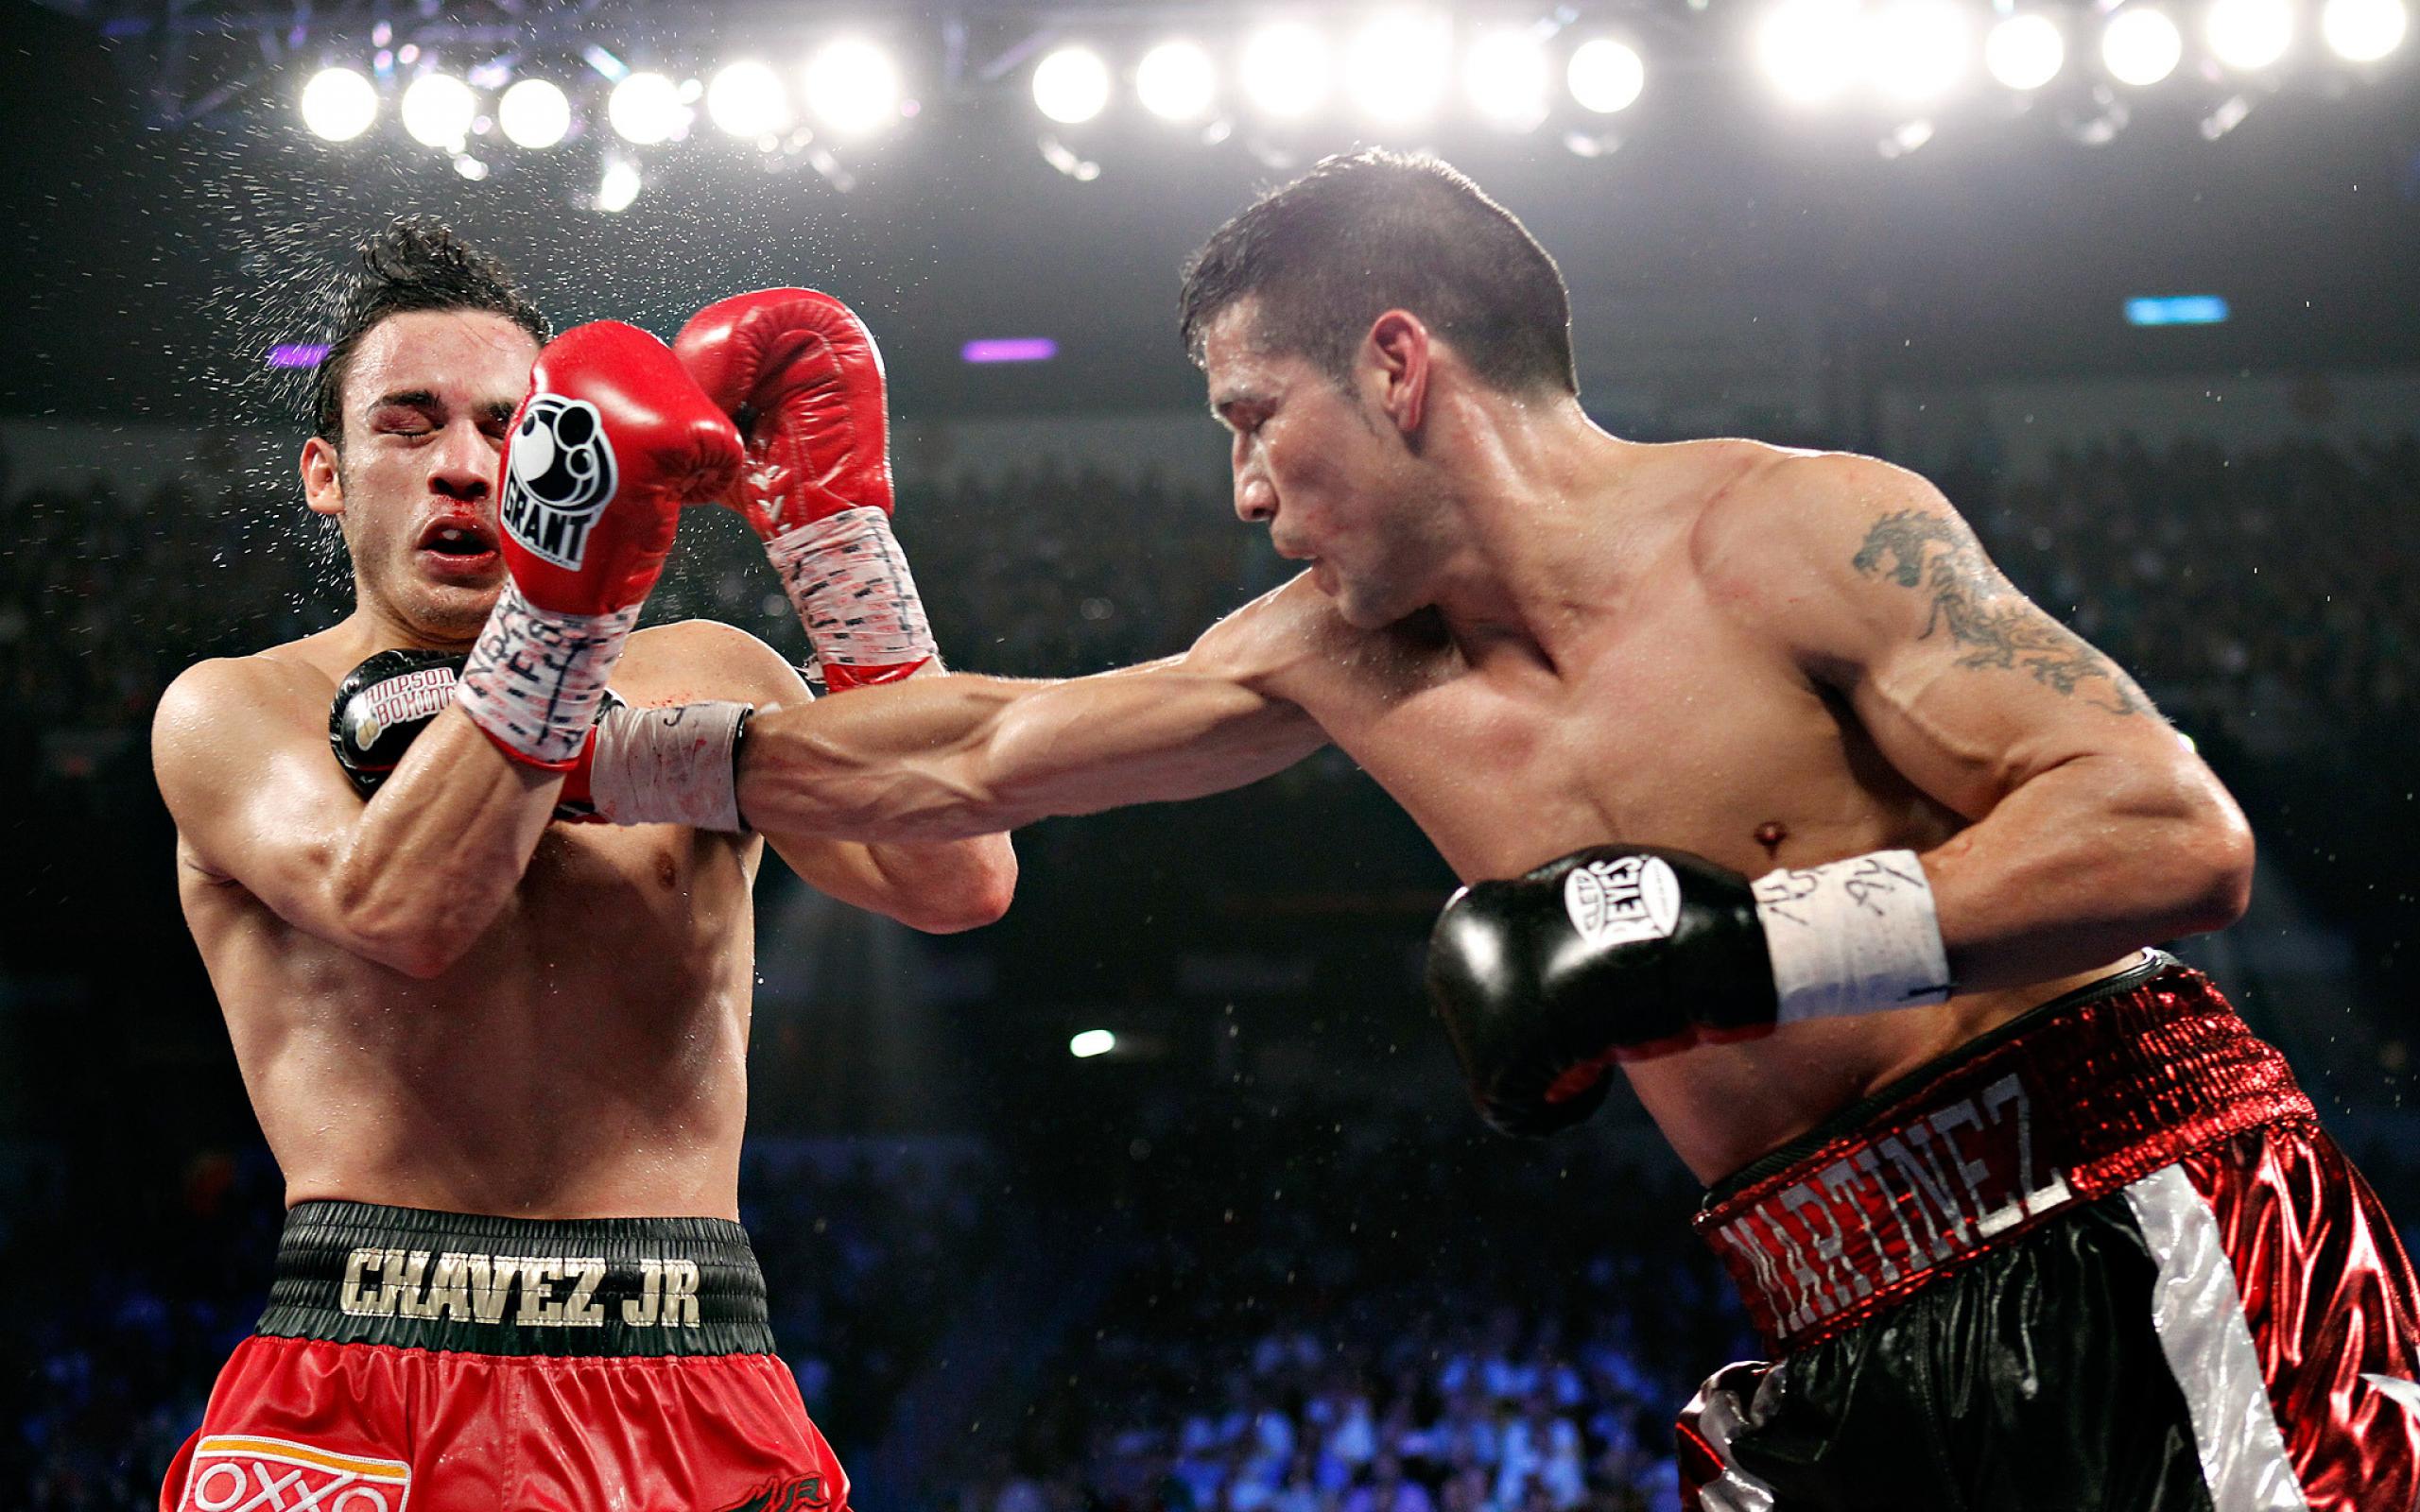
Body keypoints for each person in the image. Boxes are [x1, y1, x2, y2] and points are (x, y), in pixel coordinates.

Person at [702, 152, 2420, 1508]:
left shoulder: (1795, 529)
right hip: (1829, 1321)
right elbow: (972, 754)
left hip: (2131, 1214)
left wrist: (1747, 951)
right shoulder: (1332, 648)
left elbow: (2169, 833)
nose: (1244, 492)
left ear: (1397, 366)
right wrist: (586, 707)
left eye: (1253, 418)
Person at [148, 221, 1015, 1512]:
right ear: (326, 474)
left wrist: (831, 536)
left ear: (573, 452)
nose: (464, 466)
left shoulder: (709, 669)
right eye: (408, 426)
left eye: (513, 428)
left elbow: (958, 880)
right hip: (364, 1376)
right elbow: (404, 908)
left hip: (688, 1365)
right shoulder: (236, 710)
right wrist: (567, 606)